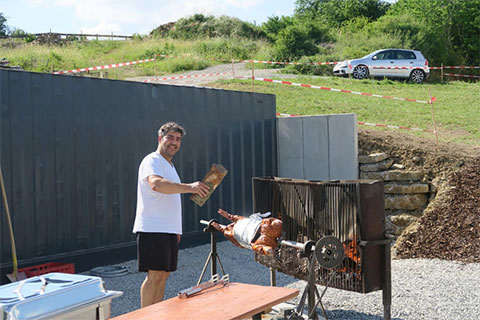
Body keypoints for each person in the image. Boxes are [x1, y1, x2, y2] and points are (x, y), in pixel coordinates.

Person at [132, 122, 210, 308]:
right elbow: (157, 184)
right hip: (153, 227)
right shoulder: (152, 160)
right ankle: (145, 316)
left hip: (167, 230)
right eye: (170, 137)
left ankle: (157, 314)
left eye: (178, 139)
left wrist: (176, 230)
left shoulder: (170, 166)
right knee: (155, 275)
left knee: (163, 275)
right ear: (160, 138)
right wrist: (190, 187)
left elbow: (170, 197)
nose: (174, 142)